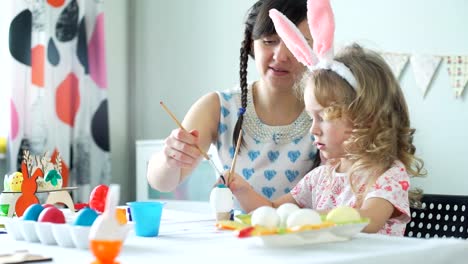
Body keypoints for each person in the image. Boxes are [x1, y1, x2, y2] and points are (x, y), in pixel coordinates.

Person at [226, 0, 425, 236]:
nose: (313, 130)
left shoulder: (387, 175)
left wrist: (310, 218)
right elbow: (274, 212)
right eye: (312, 117)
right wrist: (241, 190)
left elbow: (369, 220)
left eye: (324, 117)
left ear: (366, 117)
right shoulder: (321, 176)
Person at [147, 0, 319, 201]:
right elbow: (163, 183)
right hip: (235, 232)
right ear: (250, 45)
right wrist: (170, 159)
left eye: (295, 42)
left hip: (303, 231)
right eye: (269, 40)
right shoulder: (218, 107)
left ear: (317, 47)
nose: (280, 56)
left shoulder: (328, 111)